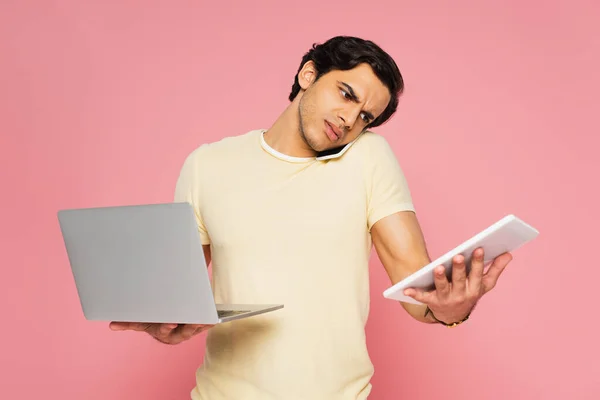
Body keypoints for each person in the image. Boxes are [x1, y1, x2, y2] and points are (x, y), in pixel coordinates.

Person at [109, 36, 513, 399]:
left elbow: (419, 292)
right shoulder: (206, 165)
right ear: (308, 74)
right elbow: (180, 302)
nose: (350, 119)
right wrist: (164, 326)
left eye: (366, 116)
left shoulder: (368, 159)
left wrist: (454, 308)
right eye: (346, 94)